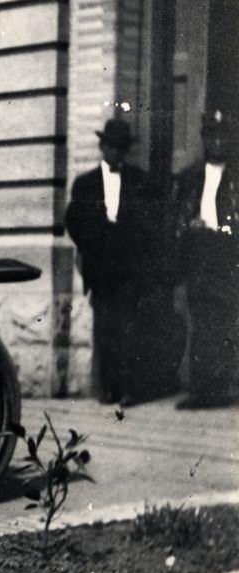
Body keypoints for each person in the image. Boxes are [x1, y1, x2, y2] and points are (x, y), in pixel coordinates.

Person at [64, 118, 157, 406]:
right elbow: (73, 222)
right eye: (111, 147)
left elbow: (149, 224)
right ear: (102, 147)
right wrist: (90, 246)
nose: (116, 153)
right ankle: (108, 388)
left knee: (129, 327)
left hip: (129, 267)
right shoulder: (85, 184)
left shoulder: (139, 180)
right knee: (105, 328)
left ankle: (129, 389)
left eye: (121, 148)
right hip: (101, 266)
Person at [173, 108, 239, 409]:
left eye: (222, 136)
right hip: (199, 255)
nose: (216, 143)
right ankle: (201, 389)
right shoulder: (189, 178)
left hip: (227, 256)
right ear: (203, 138)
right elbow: (177, 219)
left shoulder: (235, 178)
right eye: (211, 136)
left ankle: (223, 386)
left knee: (225, 320)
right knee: (200, 321)